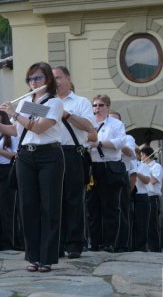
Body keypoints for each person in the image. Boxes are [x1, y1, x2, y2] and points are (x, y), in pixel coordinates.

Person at [0, 62, 64, 273]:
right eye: (30, 79)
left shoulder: (54, 103)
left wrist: (14, 114)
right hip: (26, 155)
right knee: (28, 206)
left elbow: (39, 127)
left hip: (49, 155)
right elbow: (19, 131)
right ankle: (33, 256)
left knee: (49, 206)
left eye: (38, 78)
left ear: (48, 80)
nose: (33, 82)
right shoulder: (27, 101)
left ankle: (47, 258)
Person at [52, 66, 97, 259]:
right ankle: (56, 243)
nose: (56, 82)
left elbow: (89, 127)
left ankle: (74, 244)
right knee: (52, 200)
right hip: (50, 153)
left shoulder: (81, 102)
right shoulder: (45, 101)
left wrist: (66, 114)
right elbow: (26, 121)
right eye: (52, 78)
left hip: (72, 152)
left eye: (59, 78)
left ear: (68, 78)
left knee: (73, 200)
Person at [86, 95, 127, 253]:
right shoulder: (89, 124)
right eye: (94, 105)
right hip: (92, 167)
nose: (97, 108)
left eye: (101, 105)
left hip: (109, 166)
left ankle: (110, 243)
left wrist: (99, 144)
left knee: (110, 207)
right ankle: (94, 242)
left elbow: (119, 143)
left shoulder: (116, 124)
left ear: (108, 107)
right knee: (92, 207)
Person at [0, 111, 22, 251]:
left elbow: (15, 155)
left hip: (6, 170)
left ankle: (9, 242)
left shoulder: (9, 135)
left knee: (7, 208)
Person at [109, 110, 134, 252]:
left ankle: (122, 243)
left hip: (120, 171)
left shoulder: (127, 138)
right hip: (104, 170)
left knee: (121, 209)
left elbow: (130, 153)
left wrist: (115, 143)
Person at [142, 146, 163, 252]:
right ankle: (145, 246)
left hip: (152, 197)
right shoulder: (143, 166)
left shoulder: (156, 166)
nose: (141, 157)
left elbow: (153, 180)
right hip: (144, 196)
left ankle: (155, 248)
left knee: (152, 224)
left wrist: (145, 172)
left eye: (142, 155)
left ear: (146, 155)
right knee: (144, 223)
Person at [130, 146, 151, 252]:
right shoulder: (126, 164)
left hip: (141, 196)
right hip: (129, 195)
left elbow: (147, 180)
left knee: (141, 222)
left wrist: (136, 173)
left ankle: (141, 247)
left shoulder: (143, 166)